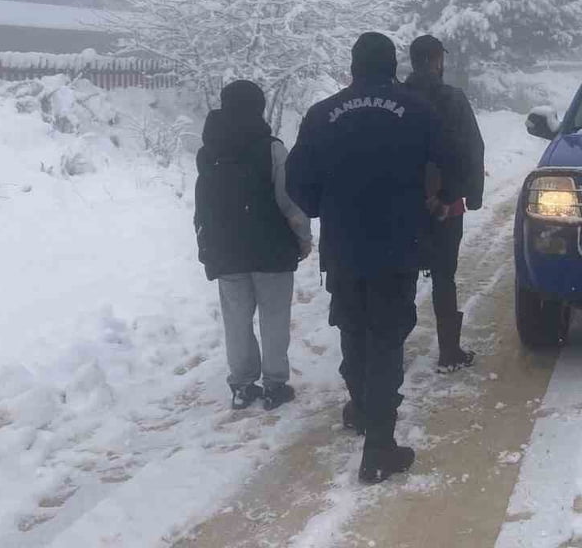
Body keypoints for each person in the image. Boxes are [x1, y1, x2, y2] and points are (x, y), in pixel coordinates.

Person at [286, 32, 456, 483]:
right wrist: (439, 201)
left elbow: (297, 180)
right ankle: (379, 444)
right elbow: (451, 165)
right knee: (385, 338)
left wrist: (326, 206)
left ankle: (361, 407)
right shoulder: (419, 111)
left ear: (353, 67)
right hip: (397, 244)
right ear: (393, 66)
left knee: (353, 326)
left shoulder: (322, 115)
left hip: (343, 245)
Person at [194, 80, 312, 411]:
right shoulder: (272, 148)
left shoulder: (208, 152)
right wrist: (303, 238)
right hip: (271, 248)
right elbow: (289, 201)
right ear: (259, 108)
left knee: (236, 320)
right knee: (274, 317)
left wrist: (204, 242)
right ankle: (275, 385)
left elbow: (202, 203)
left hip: (226, 250)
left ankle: (243, 385)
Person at [404, 34, 486, 373]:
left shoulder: (399, 98)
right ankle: (449, 351)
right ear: (437, 60)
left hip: (405, 205)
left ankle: (392, 346)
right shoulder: (452, 99)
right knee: (444, 276)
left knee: (403, 275)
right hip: (447, 205)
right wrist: (473, 194)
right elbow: (473, 147)